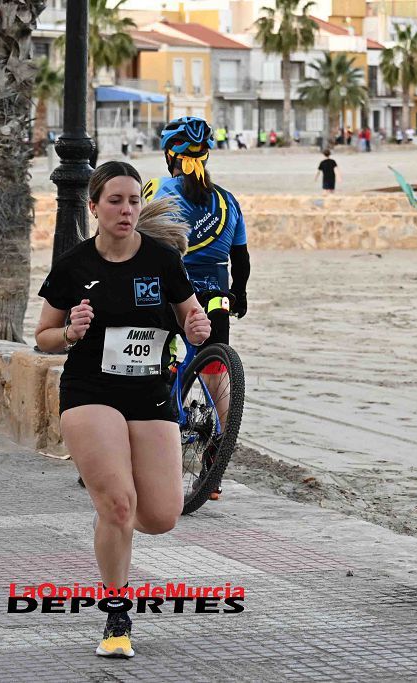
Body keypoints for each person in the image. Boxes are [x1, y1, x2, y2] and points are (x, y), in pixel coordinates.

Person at [36, 161, 211, 659]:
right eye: (115, 200)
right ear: (93, 206)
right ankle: (117, 614)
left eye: (134, 200)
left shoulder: (161, 260)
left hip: (150, 394)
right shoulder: (74, 266)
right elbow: (42, 337)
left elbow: (190, 319)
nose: (126, 209)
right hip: (91, 391)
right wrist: (69, 332)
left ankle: (116, 517)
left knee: (160, 516)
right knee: (117, 504)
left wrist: (197, 330)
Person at [141, 116, 251, 500]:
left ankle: (155, 444)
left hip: (172, 292)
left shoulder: (159, 189)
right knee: (216, 371)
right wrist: (239, 293)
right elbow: (242, 259)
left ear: (169, 154)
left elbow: (138, 238)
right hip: (217, 294)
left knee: (155, 358)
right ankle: (216, 462)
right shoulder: (227, 199)